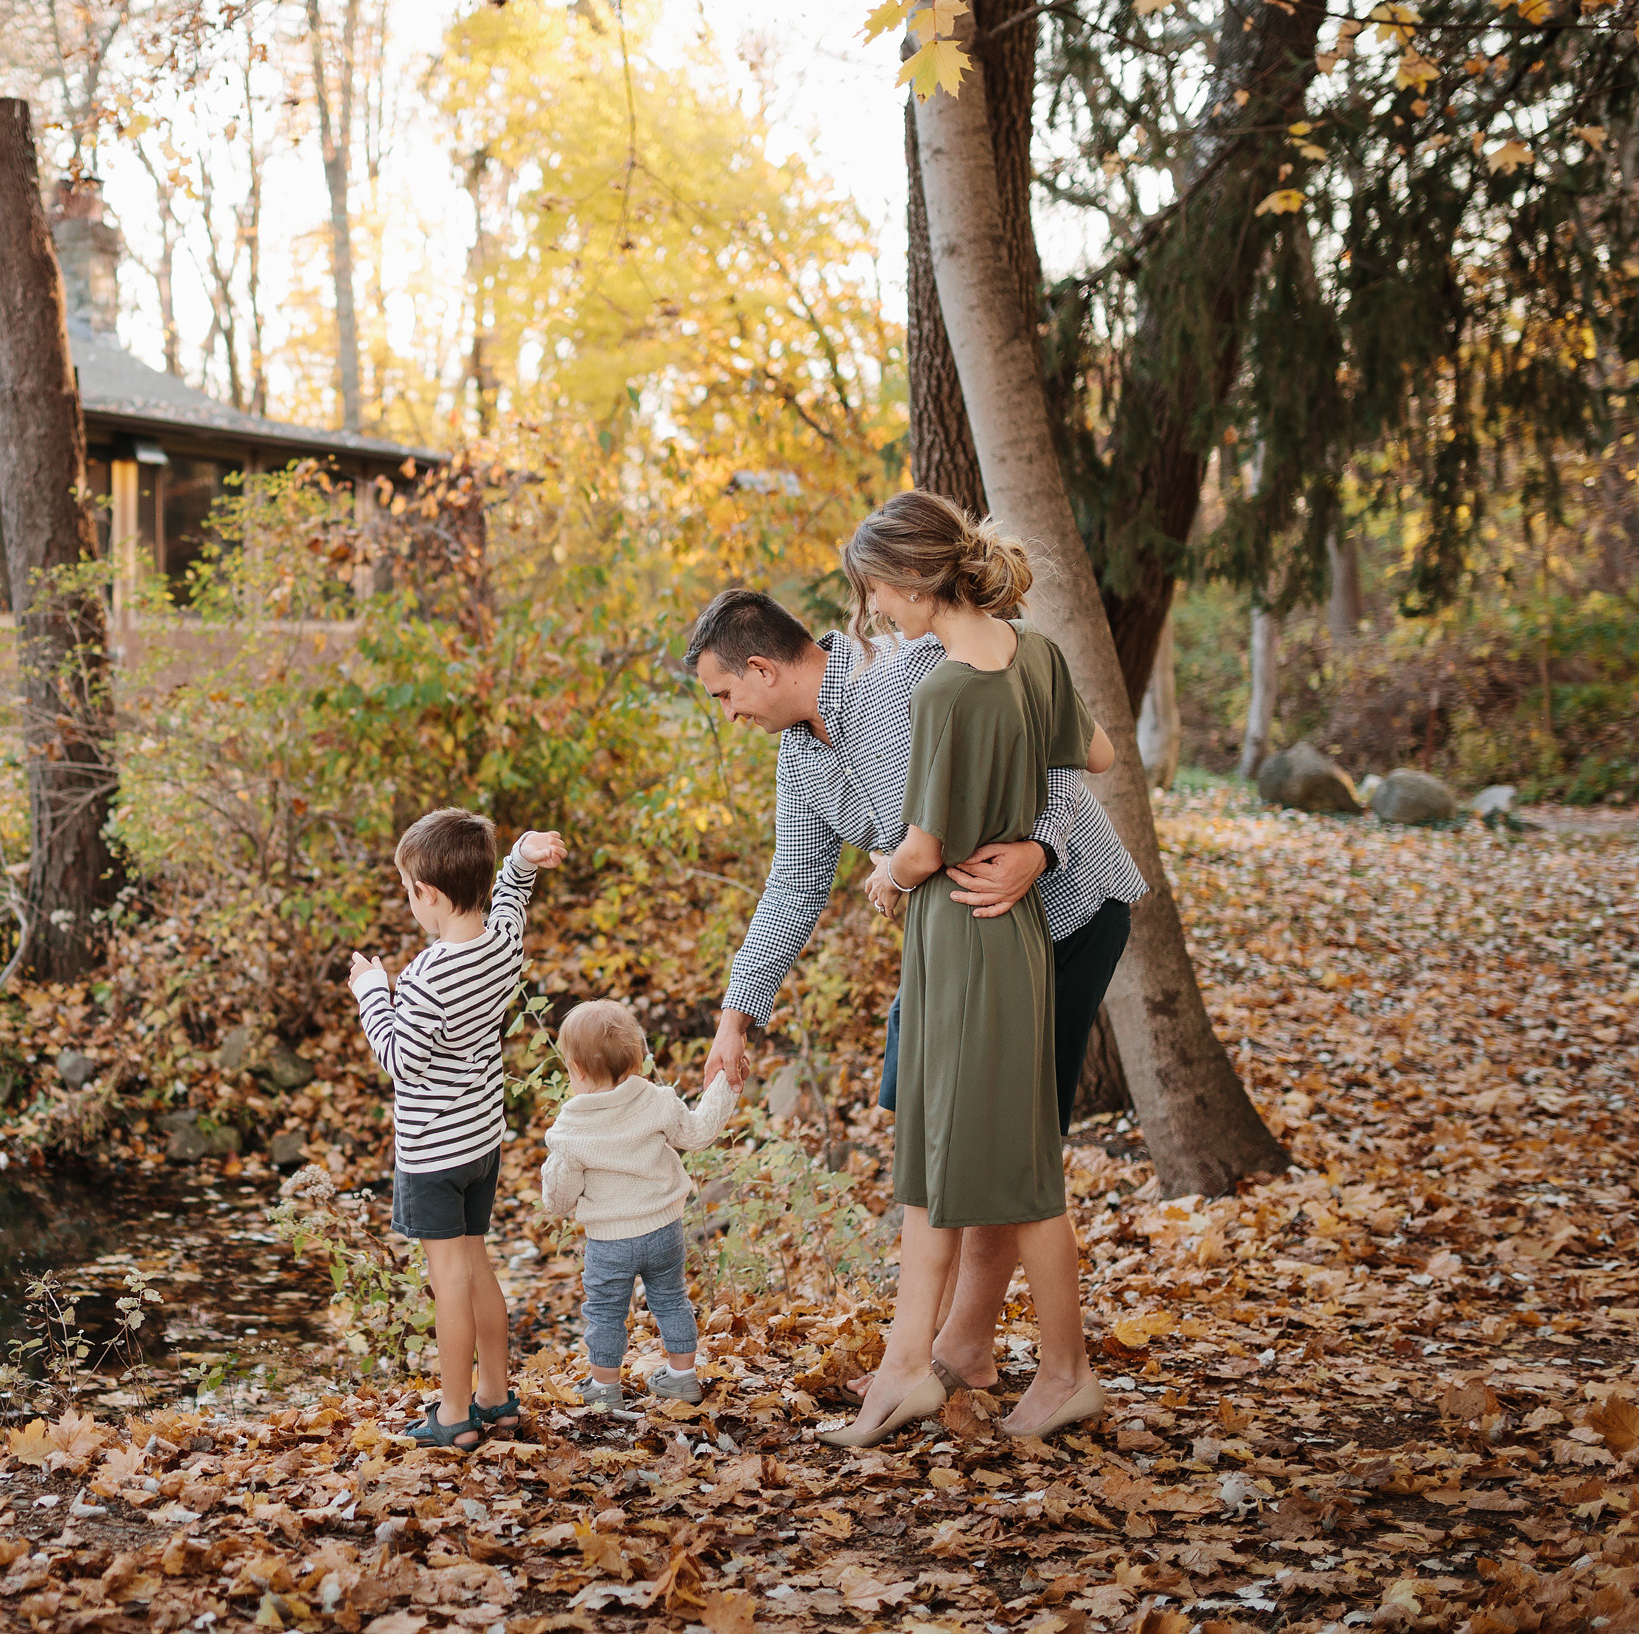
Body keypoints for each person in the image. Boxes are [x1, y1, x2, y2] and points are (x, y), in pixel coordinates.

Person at [686, 582, 1146, 1399]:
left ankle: (965, 1344)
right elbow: (793, 885)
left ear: (759, 668)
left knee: (1000, 1136)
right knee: (921, 1100)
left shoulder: (904, 672)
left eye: (725, 694)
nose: (730, 713)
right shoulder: (801, 756)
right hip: (961, 945)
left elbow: (1043, 734)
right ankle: (949, 1348)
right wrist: (736, 1017)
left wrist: (1041, 844)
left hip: (1068, 909)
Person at [823, 489, 1112, 1444]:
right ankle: (910, 1365)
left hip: (966, 930)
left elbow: (923, 843)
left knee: (1018, 1167)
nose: (878, 617)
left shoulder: (945, 686)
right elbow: (1098, 753)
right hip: (1009, 928)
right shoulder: (1035, 654)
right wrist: (1029, 826)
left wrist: (882, 875)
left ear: (912, 577)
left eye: (879, 596)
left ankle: (1067, 1372)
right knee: (939, 1153)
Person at [349, 808, 567, 1450]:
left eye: (408, 890)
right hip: (480, 1142)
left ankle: (452, 1415)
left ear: (432, 895)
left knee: (448, 1277)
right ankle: (495, 1398)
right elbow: (511, 898)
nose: (408, 901)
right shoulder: (502, 946)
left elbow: (396, 1057)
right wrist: (523, 855)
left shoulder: (425, 977)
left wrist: (371, 989)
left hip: (433, 1153)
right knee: (477, 1263)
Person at [539, 1000, 742, 1408]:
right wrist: (726, 1085)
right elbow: (698, 1133)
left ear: (576, 1070)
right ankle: (683, 1377)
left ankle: (604, 1387)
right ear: (637, 1059)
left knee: (606, 1312)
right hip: (664, 1230)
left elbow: (558, 1201)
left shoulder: (571, 1126)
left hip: (610, 1242)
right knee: (670, 1298)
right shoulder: (655, 1099)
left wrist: (557, 1172)